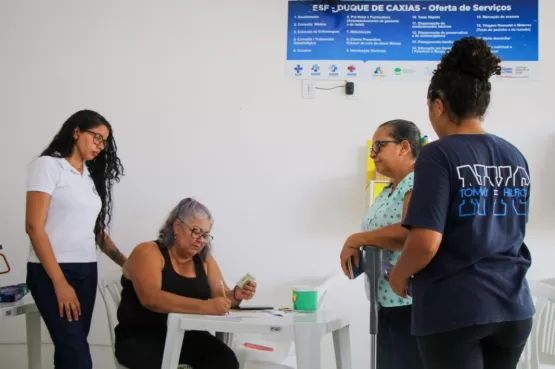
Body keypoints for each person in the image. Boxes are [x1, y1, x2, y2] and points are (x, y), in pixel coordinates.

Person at [389, 36, 534, 369]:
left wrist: (399, 276)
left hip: (455, 308)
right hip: (513, 307)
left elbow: (425, 242)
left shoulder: (438, 154)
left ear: (438, 104)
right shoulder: (514, 155)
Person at [25, 109, 126, 369]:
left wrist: (126, 264)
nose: (100, 146)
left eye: (104, 142)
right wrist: (59, 281)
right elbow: (34, 227)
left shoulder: (88, 178)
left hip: (86, 271)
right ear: (76, 131)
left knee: (70, 350)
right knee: (78, 358)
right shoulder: (48, 165)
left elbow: (96, 232)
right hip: (51, 272)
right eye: (97, 138)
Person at [115, 197, 257, 369]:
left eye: (205, 235)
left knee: (225, 361)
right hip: (142, 337)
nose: (201, 240)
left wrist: (235, 295)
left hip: (188, 337)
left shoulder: (204, 260)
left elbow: (221, 297)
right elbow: (151, 298)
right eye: (196, 232)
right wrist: (206, 307)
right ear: (176, 226)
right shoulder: (148, 252)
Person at [340, 119, 425, 369]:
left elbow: (410, 233)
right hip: (384, 299)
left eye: (379, 145)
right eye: (372, 148)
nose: (373, 154)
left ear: (404, 147)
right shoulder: (388, 189)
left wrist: (356, 239)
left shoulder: (418, 182)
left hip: (407, 298)